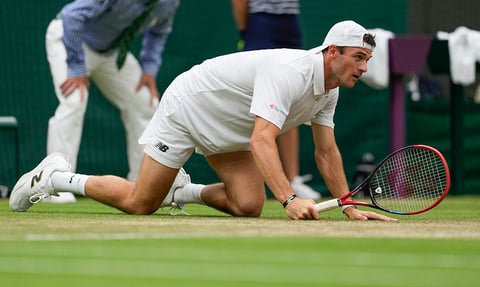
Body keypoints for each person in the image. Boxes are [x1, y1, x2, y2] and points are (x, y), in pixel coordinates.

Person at [10, 20, 397, 222]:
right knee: (139, 203)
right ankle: (55, 177)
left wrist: (347, 205)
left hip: (229, 128)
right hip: (189, 106)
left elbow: (326, 151)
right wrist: (291, 199)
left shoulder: (329, 90)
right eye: (357, 58)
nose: (363, 67)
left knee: (249, 206)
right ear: (332, 53)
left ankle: (180, 192)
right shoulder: (291, 72)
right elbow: (264, 139)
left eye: (366, 60)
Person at [44, 0, 180, 203]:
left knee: (145, 104)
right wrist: (77, 66)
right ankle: (54, 184)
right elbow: (72, 16)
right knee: (74, 101)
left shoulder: (169, 2)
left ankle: (143, 186)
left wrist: (149, 70)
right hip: (70, 38)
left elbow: (159, 31)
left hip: (110, 52)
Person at [231, 0, 321, 200]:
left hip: (290, 23)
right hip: (261, 23)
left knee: (291, 101)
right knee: (256, 103)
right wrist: (246, 31)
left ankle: (293, 180)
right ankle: (249, 177)